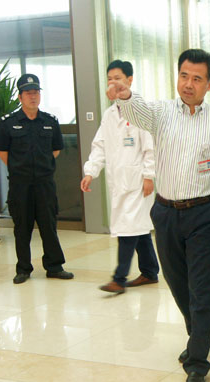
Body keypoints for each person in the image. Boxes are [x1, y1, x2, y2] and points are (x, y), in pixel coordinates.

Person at [106, 49, 210, 382]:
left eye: (197, 79)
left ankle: (197, 363)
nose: (188, 84)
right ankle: (199, 337)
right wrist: (124, 94)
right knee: (178, 285)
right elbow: (137, 109)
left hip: (203, 213)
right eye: (184, 76)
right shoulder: (161, 112)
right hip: (165, 213)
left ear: (209, 84)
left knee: (202, 289)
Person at [81, 60, 159, 295]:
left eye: (117, 78)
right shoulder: (109, 115)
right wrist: (90, 171)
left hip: (138, 181)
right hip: (119, 182)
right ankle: (150, 271)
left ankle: (119, 278)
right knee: (138, 228)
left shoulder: (139, 110)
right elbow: (100, 145)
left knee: (128, 229)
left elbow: (151, 146)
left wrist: (149, 175)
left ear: (129, 80)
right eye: (109, 79)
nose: (113, 82)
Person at [0, 74, 74, 284]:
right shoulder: (8, 123)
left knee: (49, 225)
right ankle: (23, 269)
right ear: (20, 96)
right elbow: (2, 152)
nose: (33, 96)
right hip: (20, 185)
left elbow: (56, 150)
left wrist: (40, 165)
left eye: (36, 92)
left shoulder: (49, 122)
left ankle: (54, 267)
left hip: (45, 184)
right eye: (28, 93)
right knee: (22, 227)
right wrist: (21, 168)